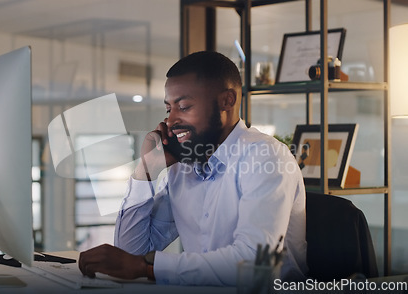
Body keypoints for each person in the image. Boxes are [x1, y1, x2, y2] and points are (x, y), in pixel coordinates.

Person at [78, 51, 308, 286]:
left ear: (227, 101)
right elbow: (131, 251)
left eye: (184, 106)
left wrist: (146, 267)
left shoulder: (266, 158)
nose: (171, 120)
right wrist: (147, 171)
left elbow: (254, 265)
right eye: (169, 109)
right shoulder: (183, 168)